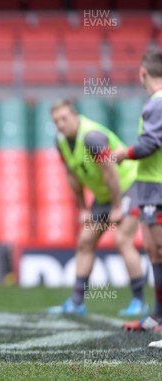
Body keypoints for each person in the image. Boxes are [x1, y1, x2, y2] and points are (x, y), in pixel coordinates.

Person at [46, 100, 148, 317]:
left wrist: (118, 206)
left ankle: (139, 301)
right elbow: (72, 175)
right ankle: (76, 302)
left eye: (64, 119)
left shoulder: (92, 137)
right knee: (85, 240)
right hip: (104, 195)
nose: (61, 124)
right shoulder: (61, 140)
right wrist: (83, 208)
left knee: (122, 240)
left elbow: (110, 173)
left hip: (128, 186)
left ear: (75, 116)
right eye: (56, 121)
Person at [113, 49, 162, 334]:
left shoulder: (156, 104)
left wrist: (123, 153)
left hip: (157, 187)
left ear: (143, 72)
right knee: (154, 252)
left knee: (159, 251)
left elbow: (148, 146)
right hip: (149, 188)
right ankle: (157, 316)